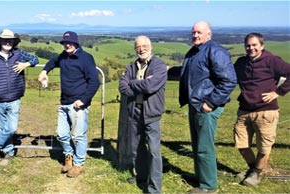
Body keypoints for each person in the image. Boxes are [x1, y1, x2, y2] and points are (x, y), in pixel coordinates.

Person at [179, 21, 237, 193]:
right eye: (193, 32)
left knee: (204, 147)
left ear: (209, 34)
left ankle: (209, 186)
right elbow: (191, 73)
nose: (195, 35)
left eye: (199, 32)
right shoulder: (195, 52)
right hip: (196, 104)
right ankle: (201, 177)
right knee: (197, 145)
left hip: (206, 106)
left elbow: (229, 80)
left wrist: (210, 103)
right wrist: (168, 70)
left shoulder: (215, 51)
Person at [37, 31, 100, 178]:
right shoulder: (63, 56)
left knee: (78, 136)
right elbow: (52, 61)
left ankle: (78, 164)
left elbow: (94, 82)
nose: (67, 45)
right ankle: (69, 156)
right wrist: (44, 71)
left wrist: (83, 100)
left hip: (78, 104)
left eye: (70, 42)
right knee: (61, 134)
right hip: (64, 102)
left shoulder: (85, 58)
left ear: (76, 43)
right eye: (65, 42)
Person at [233, 32, 290, 186]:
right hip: (244, 109)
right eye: (248, 45)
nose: (251, 48)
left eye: (254, 45)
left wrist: (278, 92)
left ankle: (256, 174)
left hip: (266, 111)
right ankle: (254, 169)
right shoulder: (241, 63)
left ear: (262, 46)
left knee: (264, 146)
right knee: (241, 144)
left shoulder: (272, 60)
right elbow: (227, 75)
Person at [119, 36, 167, 193]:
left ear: (151, 47)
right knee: (137, 148)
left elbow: (151, 87)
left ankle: (154, 188)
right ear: (135, 49)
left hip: (151, 113)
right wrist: (141, 83)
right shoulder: (131, 66)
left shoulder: (159, 65)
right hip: (134, 112)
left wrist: (132, 82)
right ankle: (141, 176)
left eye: (145, 45)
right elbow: (123, 87)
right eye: (138, 47)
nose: (142, 49)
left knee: (153, 151)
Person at [0, 29, 39, 165]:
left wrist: (25, 64)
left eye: (10, 40)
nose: (8, 42)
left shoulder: (19, 54)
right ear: (0, 41)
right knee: (2, 129)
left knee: (12, 128)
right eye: (5, 40)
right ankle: (8, 152)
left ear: (14, 42)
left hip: (15, 97)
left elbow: (35, 59)